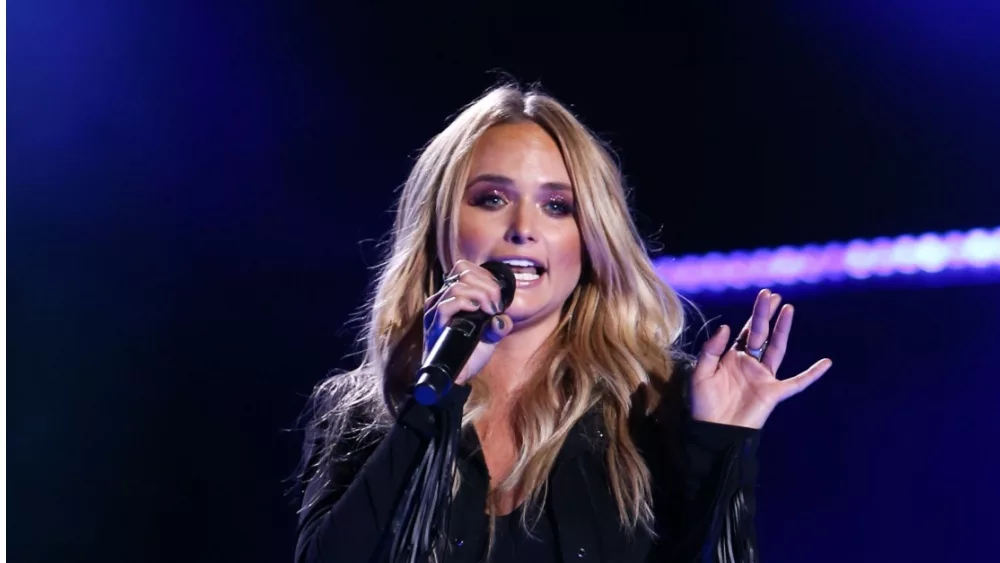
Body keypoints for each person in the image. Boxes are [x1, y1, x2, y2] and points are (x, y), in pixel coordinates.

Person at [292, 83, 833, 563]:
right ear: (442, 224)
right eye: (493, 198)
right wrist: (435, 396)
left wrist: (721, 447)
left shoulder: (652, 404)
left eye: (557, 206)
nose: (523, 228)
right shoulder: (365, 411)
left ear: (591, 237)